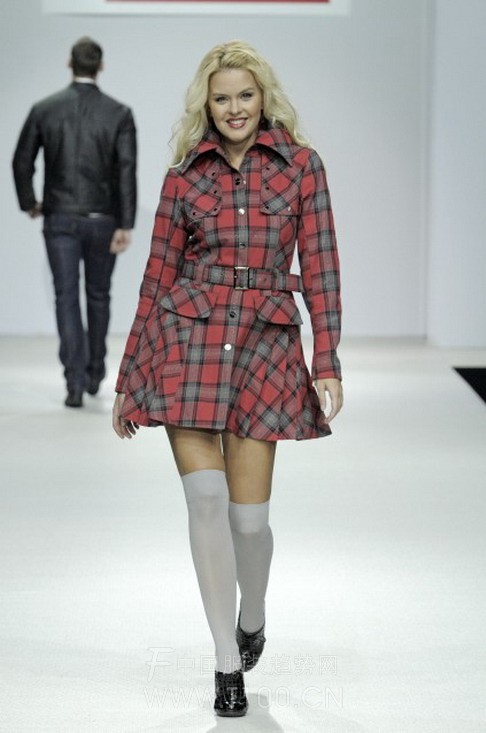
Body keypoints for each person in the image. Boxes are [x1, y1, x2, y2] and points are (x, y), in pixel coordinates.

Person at [112, 40, 343, 718]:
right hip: (188, 340)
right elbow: (156, 276)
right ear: (206, 106)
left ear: (263, 98)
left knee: (249, 521)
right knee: (206, 501)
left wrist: (326, 359)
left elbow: (322, 268)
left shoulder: (302, 166)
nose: (234, 108)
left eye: (245, 95)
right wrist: (129, 374)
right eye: (222, 98)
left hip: (265, 346)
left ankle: (254, 612)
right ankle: (224, 660)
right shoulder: (185, 175)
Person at [12, 37, 137, 408]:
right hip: (103, 219)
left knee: (66, 296)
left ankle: (74, 382)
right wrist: (125, 223)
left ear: (70, 63)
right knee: (98, 295)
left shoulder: (45, 109)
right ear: (101, 66)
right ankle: (95, 372)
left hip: (60, 217)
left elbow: (21, 161)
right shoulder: (119, 113)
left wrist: (30, 203)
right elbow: (126, 171)